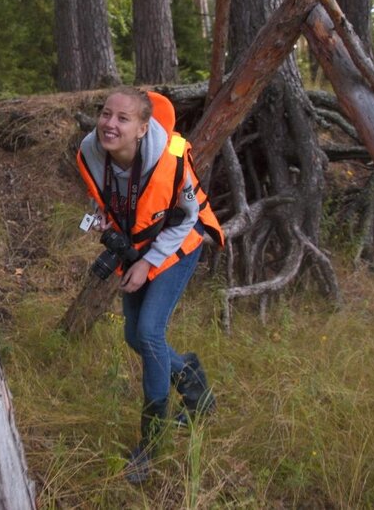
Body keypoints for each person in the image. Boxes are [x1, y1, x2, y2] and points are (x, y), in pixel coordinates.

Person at [74, 87, 224, 484]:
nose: (110, 124)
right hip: (136, 248)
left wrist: (150, 263)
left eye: (122, 119)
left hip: (178, 244)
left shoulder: (169, 159)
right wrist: (104, 219)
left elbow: (187, 216)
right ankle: (194, 386)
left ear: (143, 127)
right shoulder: (90, 151)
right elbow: (104, 193)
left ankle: (151, 443)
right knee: (133, 336)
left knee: (149, 333)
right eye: (106, 114)